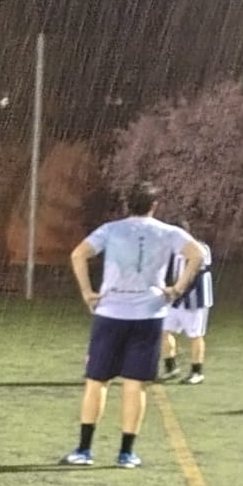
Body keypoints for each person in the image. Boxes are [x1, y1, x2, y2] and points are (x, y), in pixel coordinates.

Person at [62, 183, 205, 468]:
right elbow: (197, 254)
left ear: (127, 203)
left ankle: (84, 450)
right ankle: (126, 454)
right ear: (154, 205)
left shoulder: (111, 229)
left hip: (111, 313)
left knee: (97, 381)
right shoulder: (167, 232)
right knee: (135, 384)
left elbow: (78, 254)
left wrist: (87, 292)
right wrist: (176, 288)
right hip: (148, 315)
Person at [160, 224, 213, 384]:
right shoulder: (175, 250)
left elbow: (194, 274)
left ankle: (197, 372)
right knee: (163, 330)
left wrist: (175, 290)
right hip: (176, 298)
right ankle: (171, 368)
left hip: (195, 300)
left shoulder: (200, 248)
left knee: (195, 335)